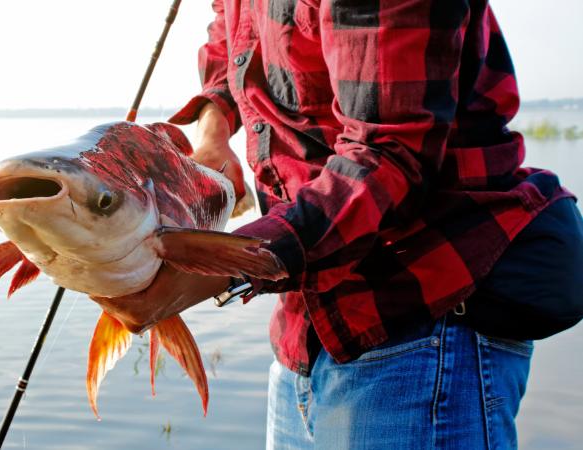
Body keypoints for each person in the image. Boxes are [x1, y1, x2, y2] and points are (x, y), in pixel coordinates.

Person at [92, 1, 582, 448]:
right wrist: (212, 130)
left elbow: (390, 155)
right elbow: (231, 33)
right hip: (306, 331)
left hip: (423, 326)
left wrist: (214, 267)